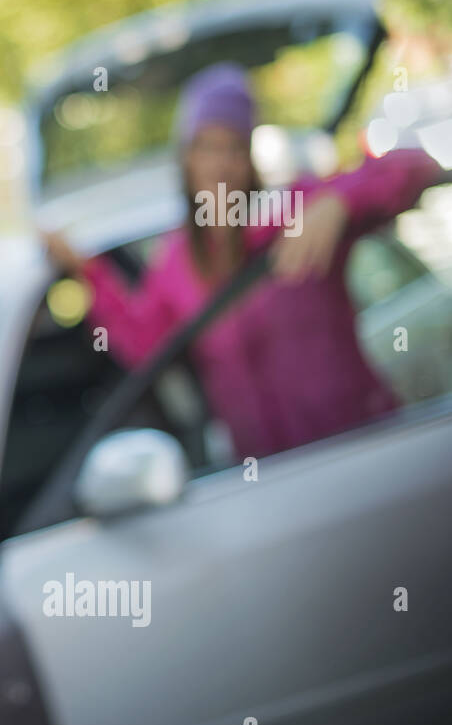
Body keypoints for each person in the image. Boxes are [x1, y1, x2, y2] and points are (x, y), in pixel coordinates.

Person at [42, 62, 442, 460]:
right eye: (205, 147)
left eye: (233, 147)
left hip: (361, 453)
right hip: (261, 481)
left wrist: (340, 200)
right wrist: (87, 272)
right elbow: (146, 344)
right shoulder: (177, 261)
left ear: (250, 158)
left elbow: (415, 168)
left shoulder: (295, 210)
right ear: (187, 158)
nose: (219, 164)